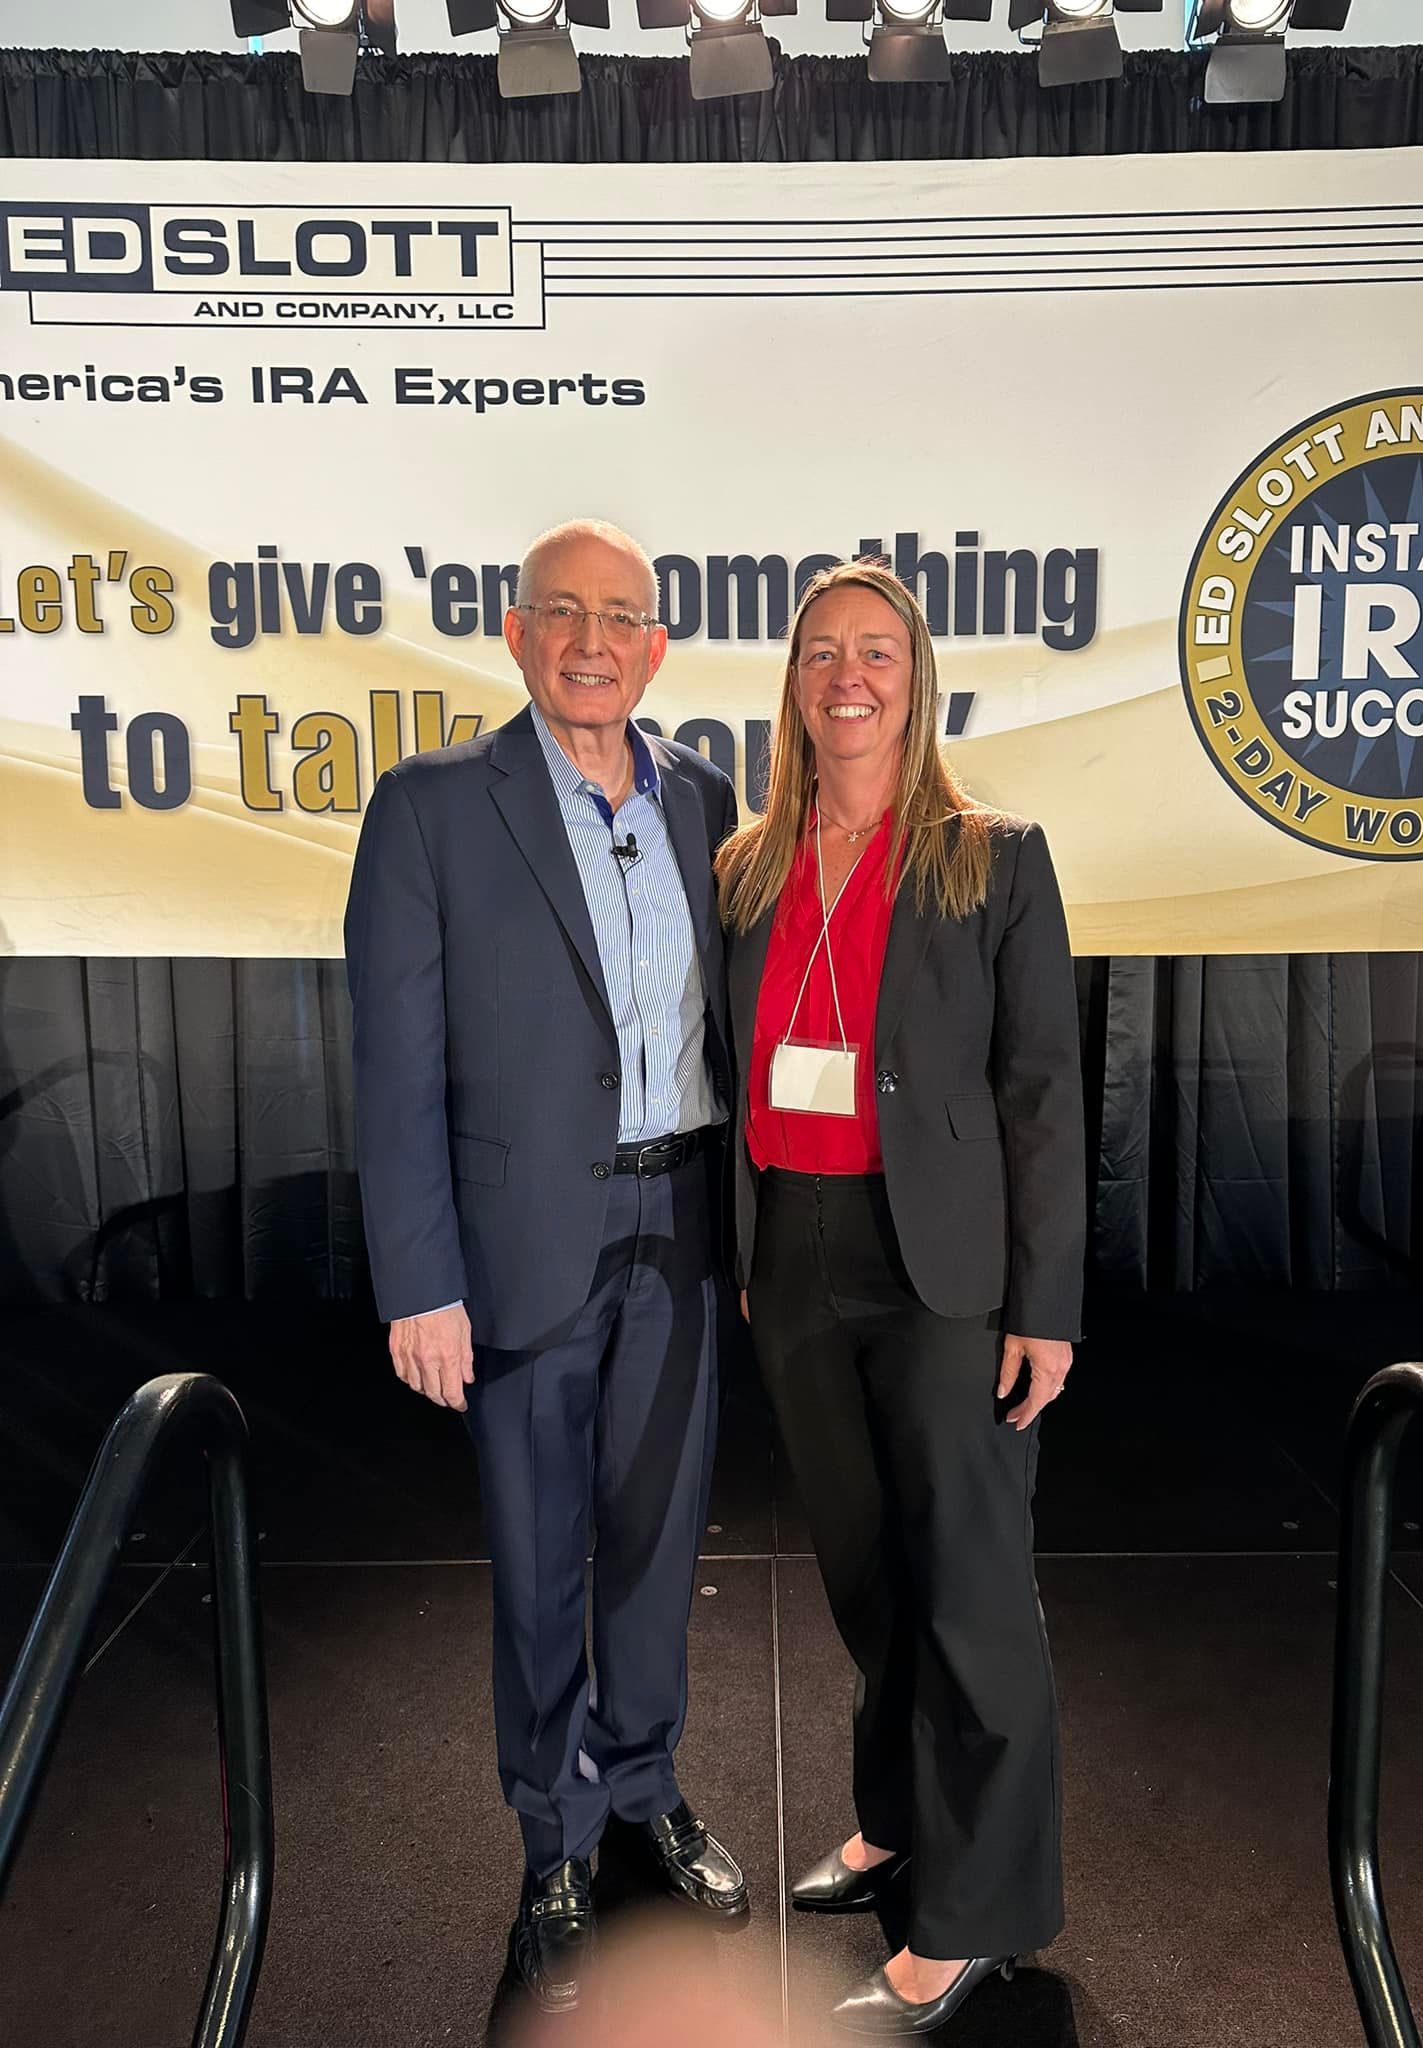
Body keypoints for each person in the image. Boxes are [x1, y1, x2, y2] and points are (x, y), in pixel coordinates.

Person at [345, 518, 748, 2018]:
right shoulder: (434, 807)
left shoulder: (707, 798)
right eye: (562, 613)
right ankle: (553, 1840)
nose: (592, 640)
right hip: (518, 1248)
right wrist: (415, 1279)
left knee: (656, 1539)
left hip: (686, 1224)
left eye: (622, 617)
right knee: (537, 1559)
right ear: (514, 634)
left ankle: (643, 1789)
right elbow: (395, 1067)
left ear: (657, 649)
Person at [716, 560, 1086, 2036]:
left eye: (876, 652)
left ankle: (976, 1911)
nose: (846, 675)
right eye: (822, 653)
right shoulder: (749, 858)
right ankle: (896, 1813)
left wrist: (1043, 1304)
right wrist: (749, 1253)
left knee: (971, 1585)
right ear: (793, 683)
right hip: (794, 1251)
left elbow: (1042, 1092)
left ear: (915, 678)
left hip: (943, 1263)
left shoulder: (992, 854)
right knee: (868, 1572)